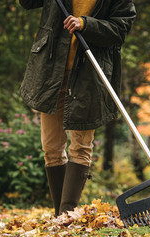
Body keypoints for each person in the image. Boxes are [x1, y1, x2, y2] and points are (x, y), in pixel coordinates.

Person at [19, 0, 136, 215]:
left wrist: (86, 24)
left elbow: (120, 29)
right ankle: (60, 216)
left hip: (88, 76)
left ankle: (66, 214)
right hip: (51, 72)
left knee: (81, 147)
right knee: (51, 148)